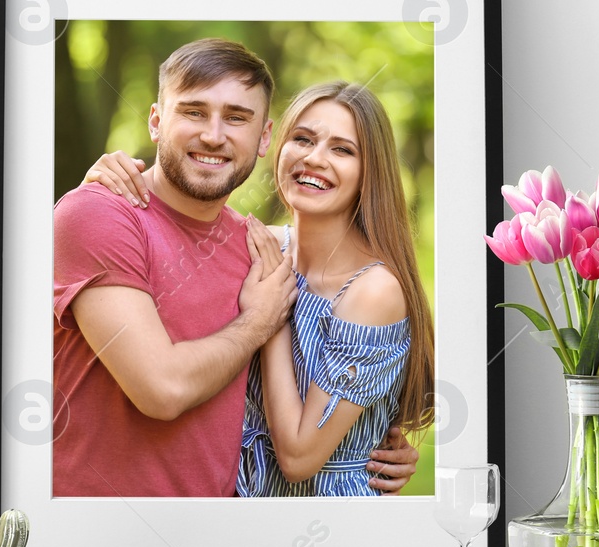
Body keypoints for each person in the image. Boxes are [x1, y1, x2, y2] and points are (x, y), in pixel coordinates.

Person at [53, 39, 420, 497]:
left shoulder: (256, 250)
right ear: (155, 120)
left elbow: (310, 437)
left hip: (249, 528)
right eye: (192, 112)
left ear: (262, 138)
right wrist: (262, 321)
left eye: (236, 117)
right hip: (100, 524)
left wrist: (368, 435)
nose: (213, 135)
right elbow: (163, 389)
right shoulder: (109, 214)